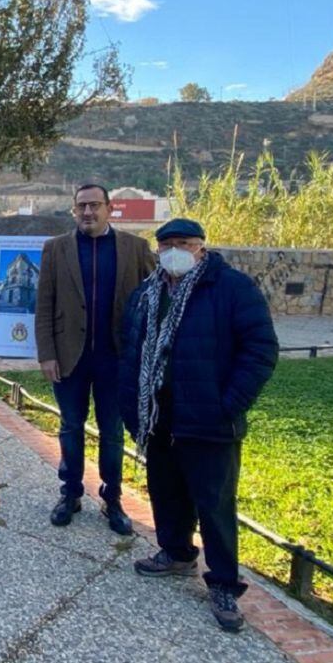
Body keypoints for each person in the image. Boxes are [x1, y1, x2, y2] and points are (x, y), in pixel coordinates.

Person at [119, 218, 278, 632]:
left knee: (214, 505)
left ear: (201, 248)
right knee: (166, 492)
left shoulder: (230, 289)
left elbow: (260, 349)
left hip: (209, 421)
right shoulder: (147, 294)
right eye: (167, 244)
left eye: (184, 243)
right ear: (157, 250)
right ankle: (176, 553)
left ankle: (224, 583)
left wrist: (228, 405)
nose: (175, 251)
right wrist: (131, 409)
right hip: (160, 418)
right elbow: (130, 352)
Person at [34, 184, 156, 534]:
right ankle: (70, 493)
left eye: (94, 205)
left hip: (115, 359)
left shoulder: (135, 248)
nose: (88, 212)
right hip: (69, 358)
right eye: (81, 206)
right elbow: (44, 305)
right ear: (74, 210)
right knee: (70, 427)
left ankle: (112, 498)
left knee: (113, 432)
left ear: (109, 208)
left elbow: (153, 299)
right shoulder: (56, 249)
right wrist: (47, 353)